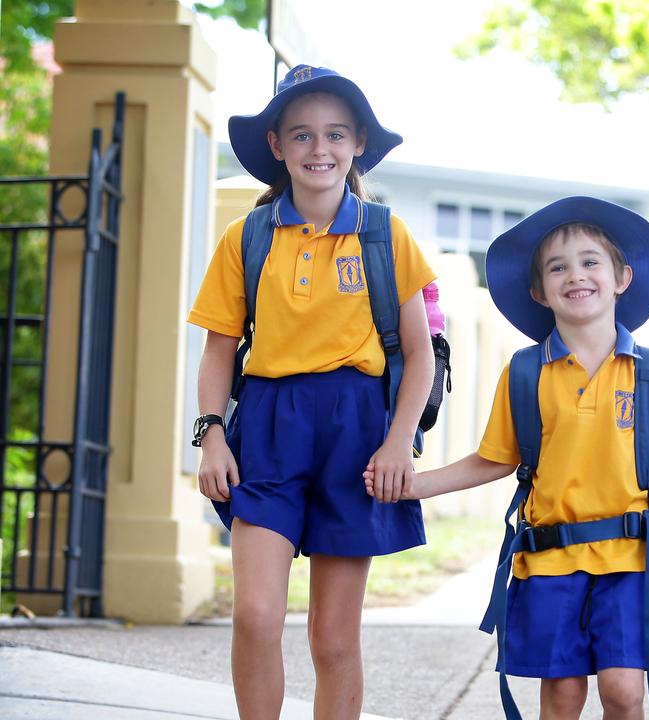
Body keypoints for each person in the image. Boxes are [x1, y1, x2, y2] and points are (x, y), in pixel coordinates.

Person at [366, 196, 649, 719]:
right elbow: (493, 460)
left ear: (622, 277)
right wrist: (416, 484)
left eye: (591, 261)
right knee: (564, 697)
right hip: (549, 560)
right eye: (558, 267)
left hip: (632, 561)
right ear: (539, 291)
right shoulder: (525, 373)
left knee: (623, 693)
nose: (576, 275)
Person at [188, 65, 436, 720]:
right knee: (256, 615)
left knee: (331, 637)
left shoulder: (385, 233)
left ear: (356, 143)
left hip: (356, 435)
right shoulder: (247, 237)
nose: (318, 150)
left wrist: (397, 443)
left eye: (333, 134)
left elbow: (418, 357)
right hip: (269, 429)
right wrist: (210, 432)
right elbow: (218, 348)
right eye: (301, 135)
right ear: (277, 145)